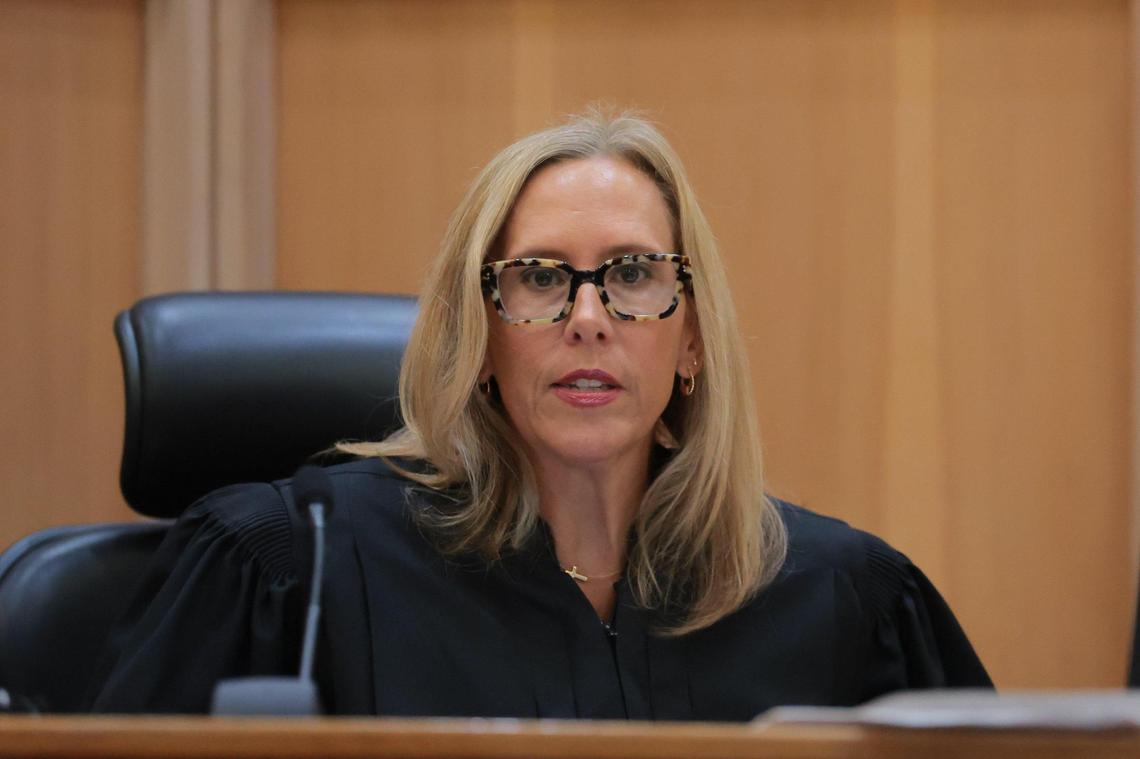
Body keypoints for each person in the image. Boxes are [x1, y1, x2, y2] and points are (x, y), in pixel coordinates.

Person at [89, 109, 991, 719]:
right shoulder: (300, 569)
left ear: (694, 341)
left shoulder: (841, 599)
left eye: (635, 274)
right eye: (540, 277)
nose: (589, 317)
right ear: (478, 335)